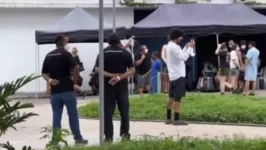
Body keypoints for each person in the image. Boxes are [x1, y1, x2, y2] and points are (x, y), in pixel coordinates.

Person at [41, 35, 88, 145]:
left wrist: (50, 80)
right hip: (67, 90)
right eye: (67, 41)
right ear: (62, 42)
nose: (68, 42)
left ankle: (55, 140)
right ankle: (78, 139)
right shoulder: (67, 54)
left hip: (55, 92)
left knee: (56, 116)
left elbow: (43, 73)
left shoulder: (48, 55)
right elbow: (76, 67)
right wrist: (75, 83)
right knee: (73, 115)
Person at [95, 33, 135, 142]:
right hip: (122, 87)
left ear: (108, 42)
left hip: (107, 87)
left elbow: (98, 70)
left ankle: (108, 136)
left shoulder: (103, 52)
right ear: (119, 42)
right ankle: (125, 134)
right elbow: (132, 70)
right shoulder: (125, 53)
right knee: (124, 112)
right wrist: (119, 77)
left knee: (107, 113)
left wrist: (111, 75)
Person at [165, 28, 193, 125]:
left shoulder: (170, 46)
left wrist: (186, 48)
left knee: (171, 97)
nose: (181, 39)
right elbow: (184, 57)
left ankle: (168, 118)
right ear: (176, 37)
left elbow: (180, 54)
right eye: (180, 37)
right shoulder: (174, 47)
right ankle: (176, 119)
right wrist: (190, 48)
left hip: (173, 75)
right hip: (179, 75)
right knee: (178, 98)